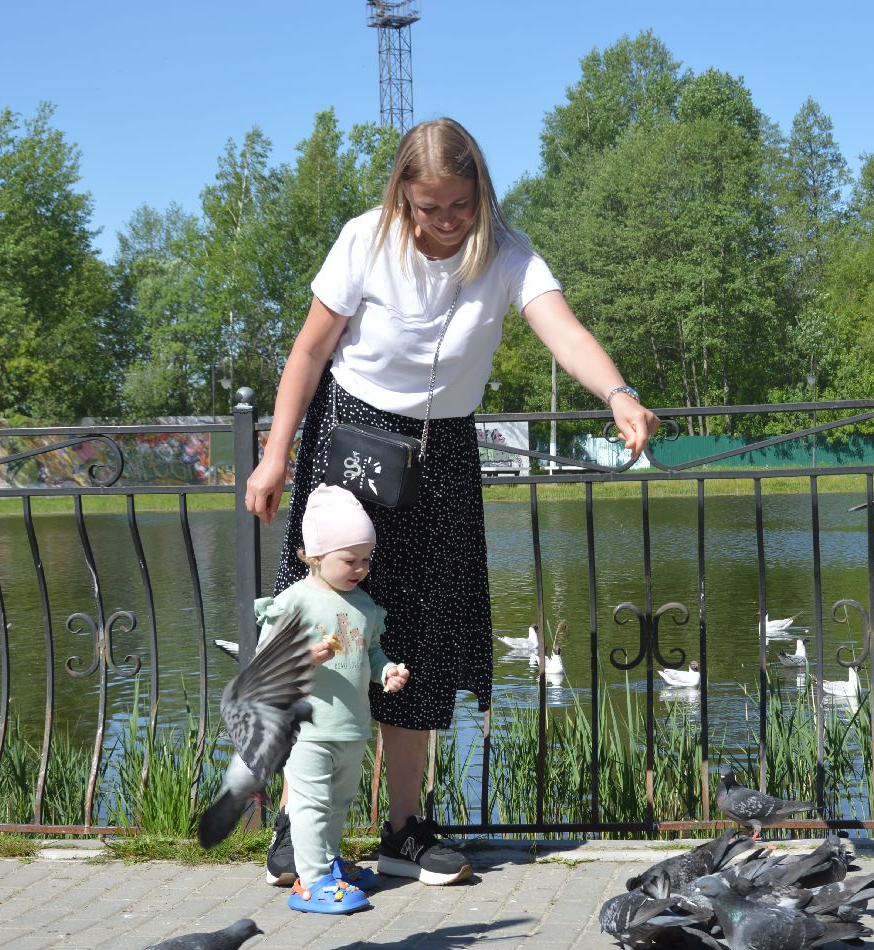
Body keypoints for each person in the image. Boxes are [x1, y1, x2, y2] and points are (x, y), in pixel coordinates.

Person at [245, 117, 658, 885]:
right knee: (322, 638)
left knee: (423, 644)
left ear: (480, 194)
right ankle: (297, 826)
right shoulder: (364, 239)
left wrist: (619, 392)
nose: (445, 223)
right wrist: (274, 456)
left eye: (460, 205)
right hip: (351, 447)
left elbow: (562, 331)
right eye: (429, 207)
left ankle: (405, 832)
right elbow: (308, 350)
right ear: (402, 194)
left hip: (443, 456)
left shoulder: (506, 251)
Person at [255, 484, 410, 913]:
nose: (360, 568)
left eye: (365, 559)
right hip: (307, 727)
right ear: (314, 555)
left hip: (351, 725)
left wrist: (387, 672)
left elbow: (371, 651)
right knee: (308, 804)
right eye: (349, 559)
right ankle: (311, 882)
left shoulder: (363, 603)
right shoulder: (294, 602)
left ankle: (327, 863)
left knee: (338, 802)